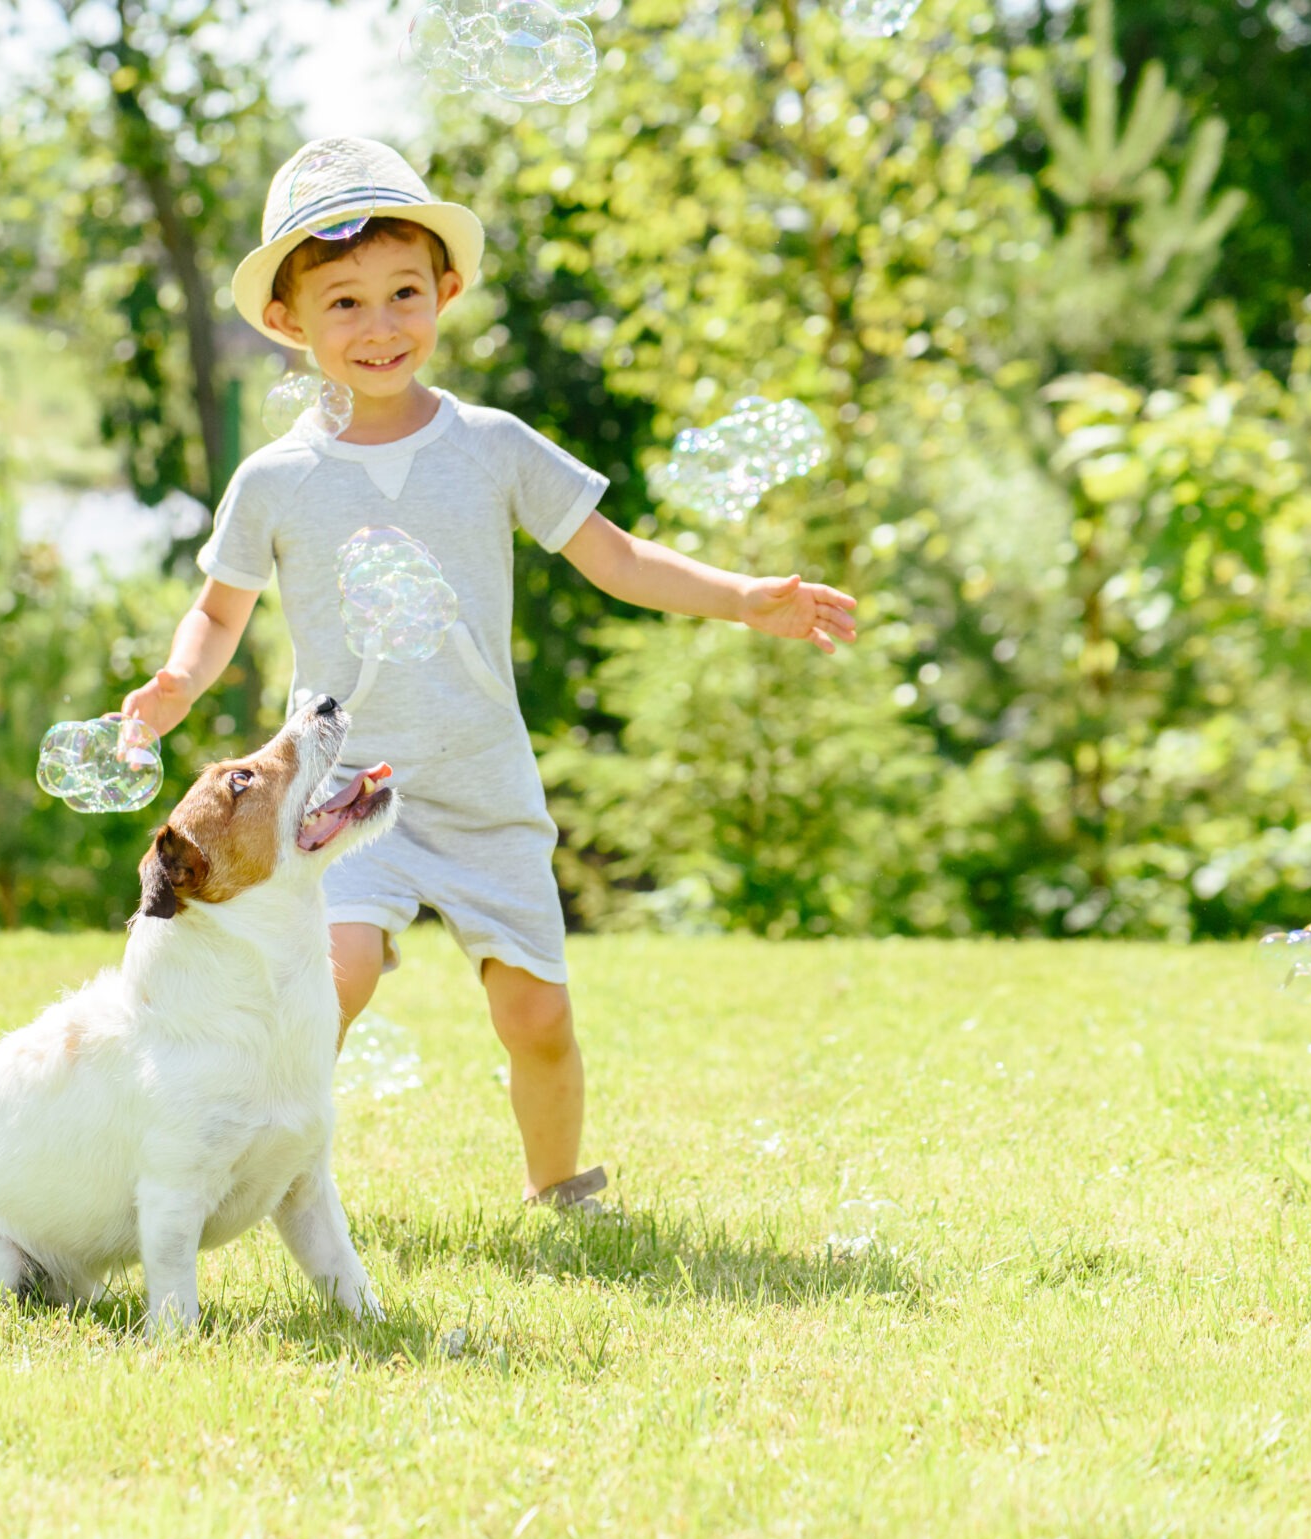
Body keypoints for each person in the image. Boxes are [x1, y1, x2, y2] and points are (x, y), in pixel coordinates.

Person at [120, 137, 859, 1215]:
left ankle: (559, 1184)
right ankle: (257, 1178)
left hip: (479, 781)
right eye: (343, 303)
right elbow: (218, 609)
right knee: (336, 982)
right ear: (288, 323)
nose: (379, 326)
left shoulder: (493, 445)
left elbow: (617, 557)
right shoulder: (274, 478)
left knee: (536, 1016)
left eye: (403, 293)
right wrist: (177, 683)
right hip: (336, 792)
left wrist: (743, 595)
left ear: (446, 291)